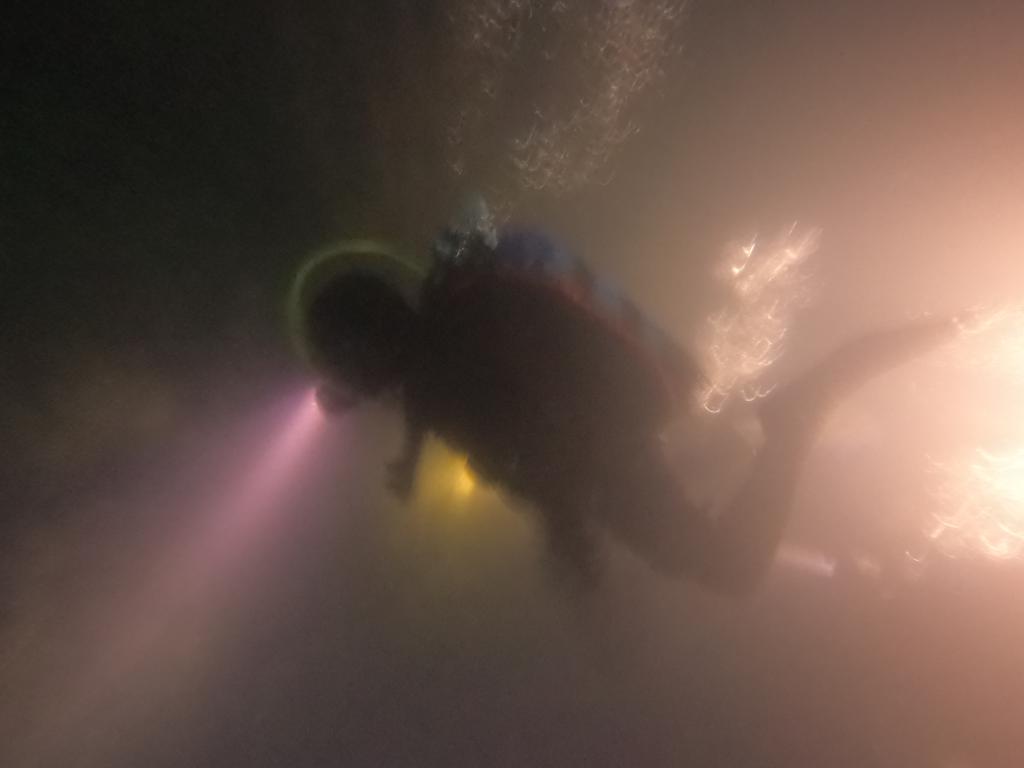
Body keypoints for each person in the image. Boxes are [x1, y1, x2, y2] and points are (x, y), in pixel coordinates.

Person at [291, 215, 961, 593]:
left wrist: (567, 536)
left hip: (604, 455)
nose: (356, 383)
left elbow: (538, 437)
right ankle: (746, 435)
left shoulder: (449, 368)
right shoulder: (442, 344)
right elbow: (447, 406)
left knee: (728, 568)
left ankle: (793, 420)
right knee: (693, 474)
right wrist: (408, 456)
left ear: (370, 343)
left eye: (348, 363)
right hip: (613, 437)